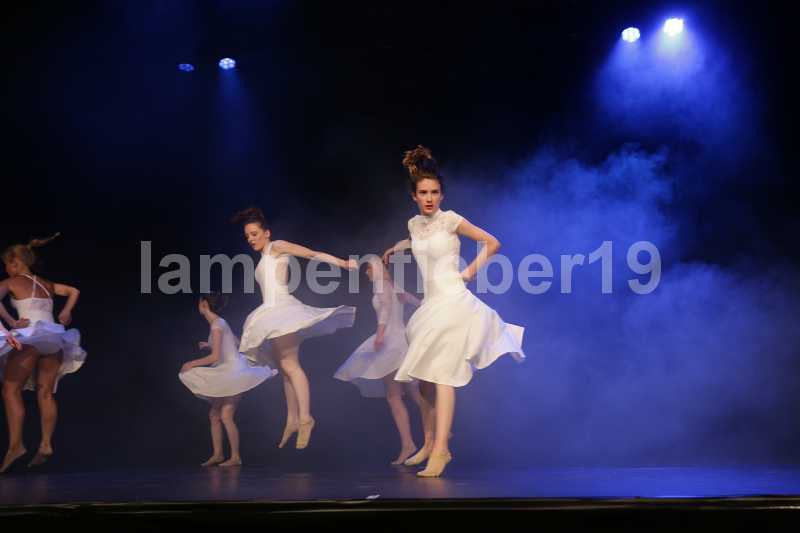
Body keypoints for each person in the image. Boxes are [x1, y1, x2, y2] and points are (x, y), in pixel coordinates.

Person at [382, 146, 525, 477]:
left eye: (434, 192)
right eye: (423, 193)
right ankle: (430, 442)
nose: (429, 198)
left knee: (444, 374)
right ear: (414, 196)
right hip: (431, 304)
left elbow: (492, 242)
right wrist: (395, 248)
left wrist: (469, 272)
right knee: (423, 381)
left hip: (453, 300)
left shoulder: (451, 219)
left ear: (442, 195)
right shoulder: (414, 224)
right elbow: (417, 241)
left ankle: (442, 451)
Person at [234, 207, 357, 450]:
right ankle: (292, 419)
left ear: (267, 233)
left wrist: (343, 263)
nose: (251, 239)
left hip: (282, 310)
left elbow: (310, 254)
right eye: (247, 236)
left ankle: (306, 418)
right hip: (271, 311)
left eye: (254, 234)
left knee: (290, 365)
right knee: (284, 369)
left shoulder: (277, 246)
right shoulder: (263, 256)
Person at [0, 234, 86, 472]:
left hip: (31, 337)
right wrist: (66, 312)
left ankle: (16, 445)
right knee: (46, 392)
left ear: (15, 262)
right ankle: (46, 443)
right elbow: (74, 290)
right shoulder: (46, 284)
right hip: (54, 338)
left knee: (10, 389)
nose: (6, 269)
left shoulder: (12, 282)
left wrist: (10, 322)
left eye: (6, 264)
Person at [334, 256, 425, 465]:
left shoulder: (381, 284)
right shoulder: (393, 284)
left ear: (374, 268)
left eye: (368, 269)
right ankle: (435, 428)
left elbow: (385, 308)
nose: (366, 273)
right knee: (412, 390)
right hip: (402, 340)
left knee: (394, 395)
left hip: (391, 343)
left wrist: (381, 334)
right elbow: (414, 301)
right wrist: (410, 318)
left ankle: (409, 443)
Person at [179, 292, 277, 467]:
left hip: (234, 372)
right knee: (214, 415)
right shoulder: (219, 323)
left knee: (225, 415)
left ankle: (235, 457)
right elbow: (235, 343)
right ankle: (218, 454)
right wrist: (210, 345)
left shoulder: (217, 325)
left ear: (203, 304)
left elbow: (215, 357)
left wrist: (190, 363)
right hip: (227, 371)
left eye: (199, 302)